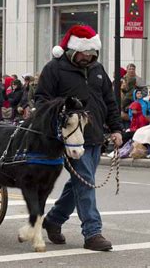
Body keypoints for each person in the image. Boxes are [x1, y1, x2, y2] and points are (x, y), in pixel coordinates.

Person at [35, 25, 123, 251]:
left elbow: (110, 101)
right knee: (85, 182)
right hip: (68, 136)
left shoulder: (98, 69)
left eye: (93, 52)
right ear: (73, 50)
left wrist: (116, 129)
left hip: (94, 135)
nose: (90, 56)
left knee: (81, 182)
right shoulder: (54, 69)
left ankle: (54, 220)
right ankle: (92, 233)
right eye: (85, 52)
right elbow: (41, 100)